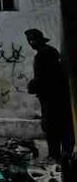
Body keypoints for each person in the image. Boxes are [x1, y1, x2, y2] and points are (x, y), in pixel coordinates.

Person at [25, 29, 74, 160]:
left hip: (51, 97)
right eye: (29, 40)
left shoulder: (43, 55)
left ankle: (55, 156)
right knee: (62, 126)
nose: (31, 43)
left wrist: (32, 86)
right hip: (58, 96)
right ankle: (66, 153)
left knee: (52, 128)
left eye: (32, 40)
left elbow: (44, 78)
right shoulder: (50, 51)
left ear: (39, 40)